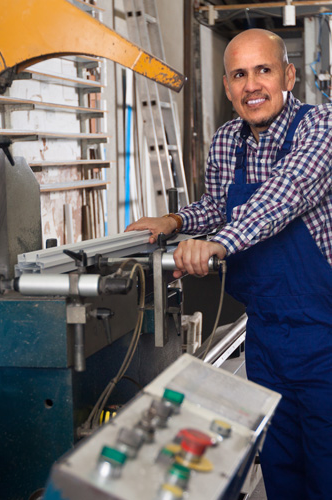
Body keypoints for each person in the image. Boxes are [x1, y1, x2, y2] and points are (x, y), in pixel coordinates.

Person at [126, 29, 332, 500]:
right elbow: (219, 206)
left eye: (264, 70)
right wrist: (176, 219)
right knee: (280, 464)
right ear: (227, 86)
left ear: (289, 75)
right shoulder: (226, 141)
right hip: (265, 337)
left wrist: (217, 244)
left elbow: (286, 193)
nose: (252, 85)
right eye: (239, 74)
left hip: (325, 338)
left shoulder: (320, 127)